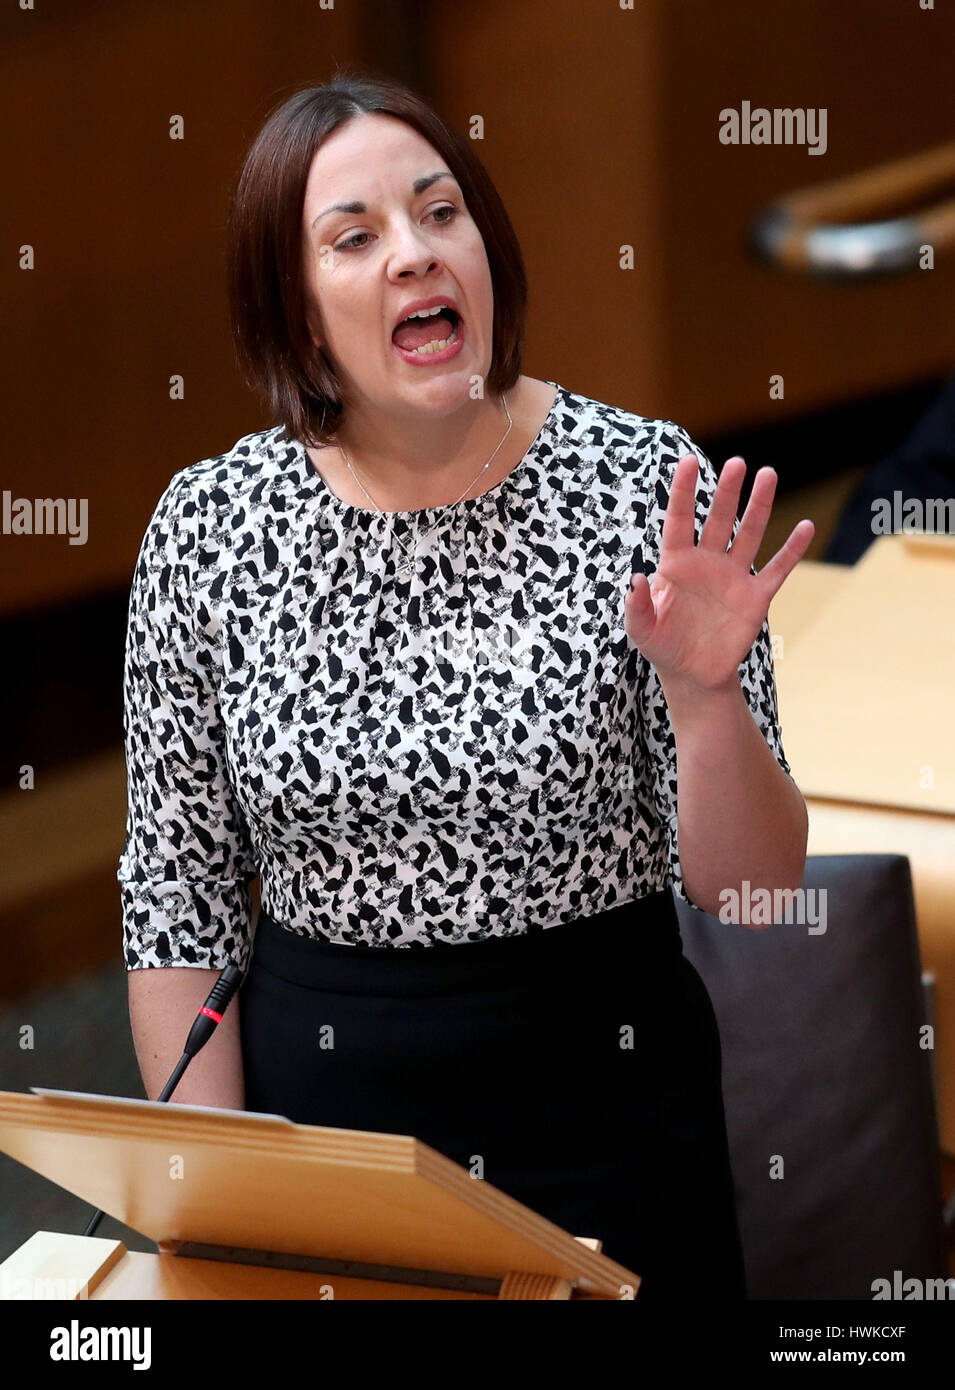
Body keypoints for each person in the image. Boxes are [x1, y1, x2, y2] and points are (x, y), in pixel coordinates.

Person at [118, 69, 814, 1301]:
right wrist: (203, 1203)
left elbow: (752, 894)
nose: (414, 255)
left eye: (443, 214)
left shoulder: (639, 486)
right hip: (325, 1131)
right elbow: (179, 898)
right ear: (292, 310)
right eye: (356, 236)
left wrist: (708, 702)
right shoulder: (210, 527)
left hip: (607, 1114)